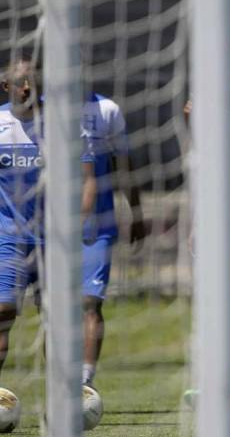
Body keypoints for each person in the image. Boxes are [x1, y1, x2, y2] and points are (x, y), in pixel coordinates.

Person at [0, 57, 97, 384]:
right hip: (8, 237)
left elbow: (86, 180)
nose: (26, 87)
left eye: (32, 80)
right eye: (19, 81)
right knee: (3, 313)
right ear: (5, 86)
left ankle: (62, 396)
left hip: (53, 239)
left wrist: (80, 223)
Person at [80, 92, 147, 390]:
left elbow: (124, 165)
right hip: (47, 227)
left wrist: (135, 212)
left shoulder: (107, 109)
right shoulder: (39, 108)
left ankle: (85, 382)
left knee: (90, 303)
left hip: (99, 222)